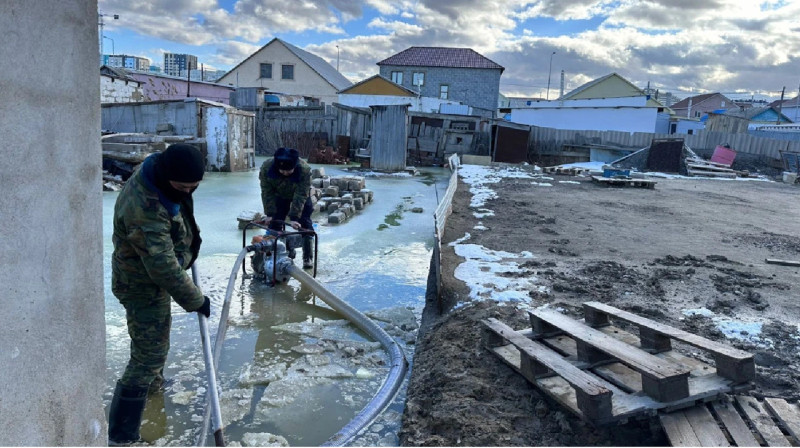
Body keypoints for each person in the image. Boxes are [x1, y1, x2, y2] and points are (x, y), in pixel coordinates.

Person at [108, 143, 211, 445]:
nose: (188, 193)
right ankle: (122, 437)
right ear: (168, 178)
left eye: (193, 187)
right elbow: (163, 268)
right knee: (148, 354)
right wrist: (196, 300)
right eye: (182, 188)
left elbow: (178, 213)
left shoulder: (157, 170)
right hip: (140, 284)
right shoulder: (145, 208)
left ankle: (153, 390)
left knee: (153, 344)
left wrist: (187, 249)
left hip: (150, 279)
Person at [259, 147, 315, 268]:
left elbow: (301, 195)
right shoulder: (266, 168)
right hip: (279, 195)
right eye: (282, 170)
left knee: (305, 224)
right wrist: (269, 213)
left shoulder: (304, 170)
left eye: (288, 171)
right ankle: (277, 254)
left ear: (294, 166)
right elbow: (267, 192)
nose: (285, 173)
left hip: (300, 196)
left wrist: (294, 217)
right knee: (275, 224)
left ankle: (308, 257)